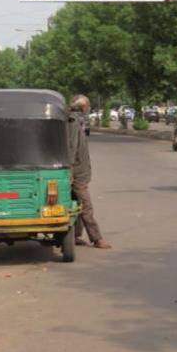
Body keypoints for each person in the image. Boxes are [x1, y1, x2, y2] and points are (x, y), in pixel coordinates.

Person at [68, 95, 111, 249]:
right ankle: (96, 238)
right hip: (77, 172)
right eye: (87, 106)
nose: (88, 109)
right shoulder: (73, 122)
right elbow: (72, 147)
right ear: (82, 107)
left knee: (76, 204)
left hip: (79, 171)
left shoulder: (76, 120)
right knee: (86, 205)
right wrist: (71, 170)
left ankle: (75, 236)